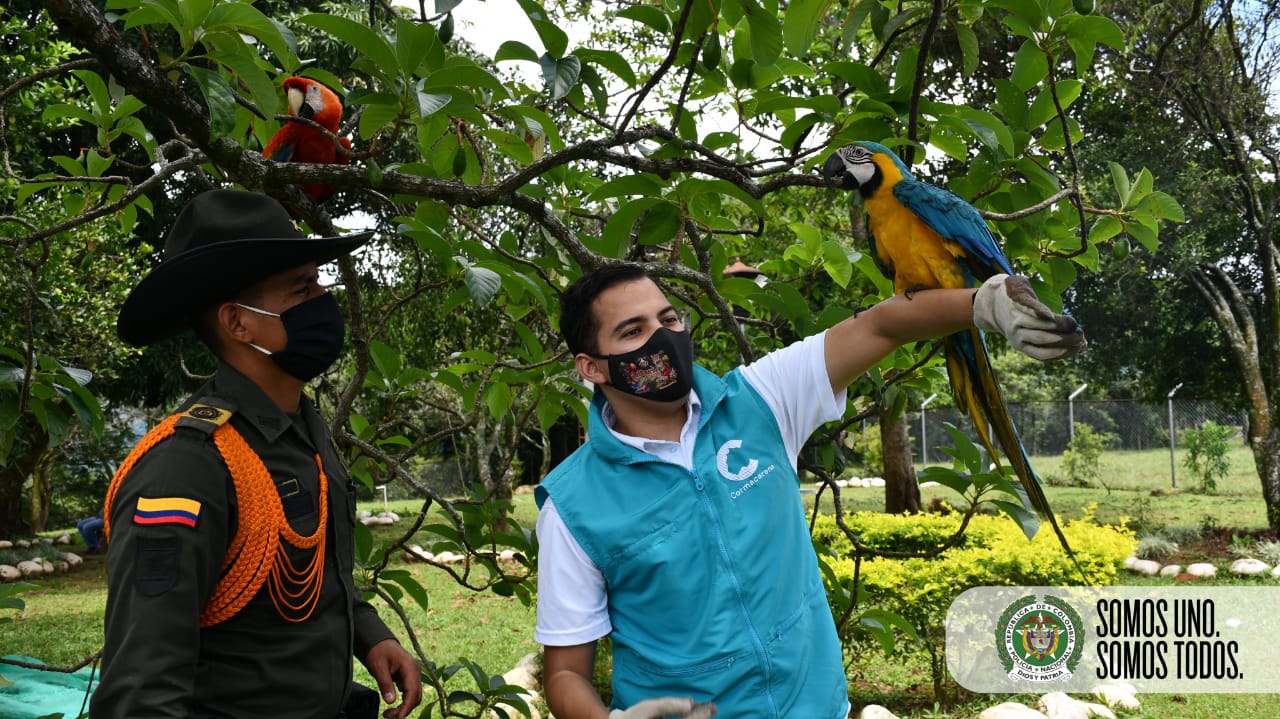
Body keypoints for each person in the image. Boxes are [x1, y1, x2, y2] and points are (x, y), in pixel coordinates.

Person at [535, 263, 1087, 719]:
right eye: (633, 332)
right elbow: (564, 672)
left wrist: (983, 304)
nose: (662, 338)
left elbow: (881, 327)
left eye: (669, 318)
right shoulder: (574, 505)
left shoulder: (760, 403)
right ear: (592, 367)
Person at [91, 190, 422, 719]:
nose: (322, 300)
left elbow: (314, 571)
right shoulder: (188, 467)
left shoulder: (303, 431)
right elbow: (142, 689)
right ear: (238, 323)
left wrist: (370, 636)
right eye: (301, 288)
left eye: (318, 282)